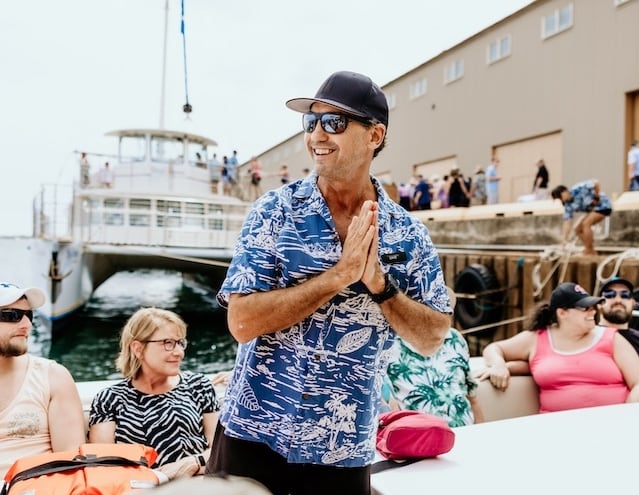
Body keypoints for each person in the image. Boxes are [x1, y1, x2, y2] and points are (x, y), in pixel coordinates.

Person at [208, 70, 451, 495]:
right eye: (311, 122)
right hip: (254, 433)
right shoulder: (273, 212)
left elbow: (432, 337)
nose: (317, 134)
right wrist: (337, 277)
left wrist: (380, 285)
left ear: (375, 136)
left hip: (342, 448)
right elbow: (241, 322)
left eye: (334, 123)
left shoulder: (409, 234)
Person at [478, 282, 639, 413]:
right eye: (585, 308)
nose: (593, 312)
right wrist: (499, 365)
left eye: (593, 307)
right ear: (562, 313)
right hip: (556, 429)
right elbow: (493, 348)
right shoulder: (536, 339)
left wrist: (623, 418)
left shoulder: (612, 338)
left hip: (614, 425)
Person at [88, 307, 220, 481]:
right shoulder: (110, 399)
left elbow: (220, 450)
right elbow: (103, 465)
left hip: (199, 483)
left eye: (180, 343)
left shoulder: (199, 386)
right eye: (168, 343)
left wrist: (192, 462)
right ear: (138, 348)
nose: (179, 352)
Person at [0, 282, 85, 478]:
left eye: (29, 315)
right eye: (12, 316)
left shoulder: (52, 377)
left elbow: (71, 464)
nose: (27, 324)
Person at [383, 289, 483, 427]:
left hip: (465, 431)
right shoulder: (388, 345)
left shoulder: (455, 338)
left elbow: (472, 397)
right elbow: (389, 408)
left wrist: (481, 432)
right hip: (419, 439)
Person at [550, 179, 613, 256]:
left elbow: (596, 183)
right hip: (593, 211)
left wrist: (596, 196)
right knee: (577, 228)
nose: (561, 199)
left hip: (604, 206)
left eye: (560, 197)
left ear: (565, 191)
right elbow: (567, 222)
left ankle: (589, 250)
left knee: (586, 224)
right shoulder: (568, 205)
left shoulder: (578, 188)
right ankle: (590, 249)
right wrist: (565, 239)